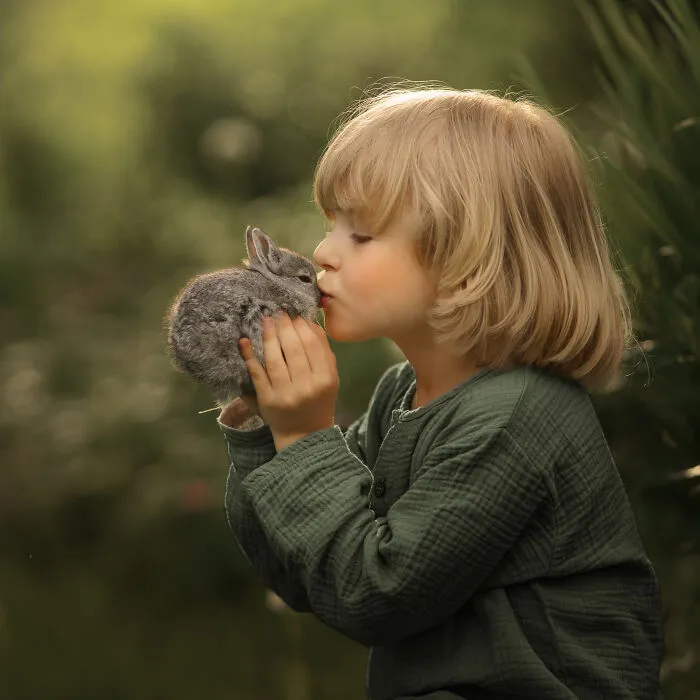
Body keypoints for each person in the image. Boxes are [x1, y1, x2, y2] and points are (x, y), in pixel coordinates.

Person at [217, 86, 665, 699]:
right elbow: (308, 572)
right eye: (330, 227)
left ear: (469, 257)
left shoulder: (517, 415)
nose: (321, 254)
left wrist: (304, 439)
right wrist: (263, 433)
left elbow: (375, 594)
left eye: (363, 235)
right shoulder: (404, 394)